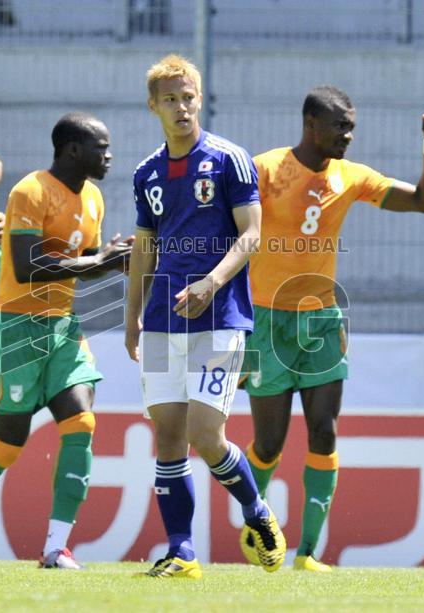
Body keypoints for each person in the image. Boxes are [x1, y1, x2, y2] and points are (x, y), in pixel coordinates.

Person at [242, 85, 424, 572]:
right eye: (341, 126)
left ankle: (308, 553)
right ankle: (256, 526)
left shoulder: (351, 177)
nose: (349, 136)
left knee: (324, 432)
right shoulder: (263, 170)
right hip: (265, 320)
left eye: (352, 126)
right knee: (269, 444)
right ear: (311, 124)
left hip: (322, 319)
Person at [0, 112, 130, 569]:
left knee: (82, 423)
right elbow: (29, 268)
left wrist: (106, 260)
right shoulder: (30, 191)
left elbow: (79, 262)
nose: (109, 155)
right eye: (101, 147)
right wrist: (101, 262)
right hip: (16, 328)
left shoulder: (94, 197)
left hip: (62, 326)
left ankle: (55, 548)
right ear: (72, 151)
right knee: (6, 445)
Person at [124, 54, 285, 579]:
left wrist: (212, 282)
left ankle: (257, 512)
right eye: (170, 99)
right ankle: (182, 551)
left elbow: (252, 234)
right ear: (153, 106)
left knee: (204, 433)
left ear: (199, 97)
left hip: (221, 316)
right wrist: (131, 317)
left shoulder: (229, 159)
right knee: (168, 437)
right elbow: (144, 249)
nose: (181, 107)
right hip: (162, 320)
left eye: (188, 96)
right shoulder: (146, 173)